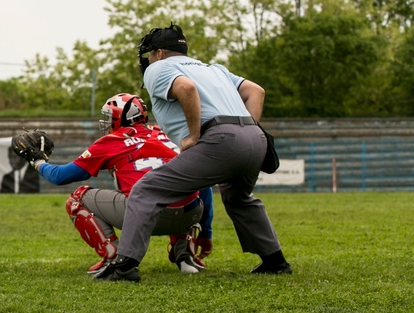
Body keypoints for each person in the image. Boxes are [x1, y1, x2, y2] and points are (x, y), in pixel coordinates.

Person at [95, 23, 291, 282]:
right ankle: (275, 261)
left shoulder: (158, 68)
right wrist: (249, 129)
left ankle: (125, 265)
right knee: (240, 198)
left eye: (150, 54)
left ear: (160, 53)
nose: (149, 60)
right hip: (255, 137)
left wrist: (194, 135)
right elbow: (256, 91)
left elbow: (186, 89)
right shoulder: (213, 69)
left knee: (146, 189)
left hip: (219, 138)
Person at [26, 93, 211, 275]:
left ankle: (113, 255)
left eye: (109, 116)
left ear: (119, 117)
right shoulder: (166, 134)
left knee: (78, 198)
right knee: (183, 186)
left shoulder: (113, 141)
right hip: (189, 214)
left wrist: (38, 162)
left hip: (145, 215)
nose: (106, 122)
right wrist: (206, 233)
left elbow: (60, 176)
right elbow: (203, 183)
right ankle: (185, 253)